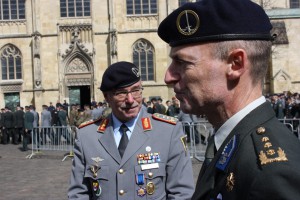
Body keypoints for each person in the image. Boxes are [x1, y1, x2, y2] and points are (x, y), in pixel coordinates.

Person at [157, 0, 300, 199]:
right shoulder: (230, 140)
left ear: (235, 64)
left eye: (182, 62)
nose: (168, 76)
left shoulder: (270, 172)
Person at [68, 61, 194, 199]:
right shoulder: (87, 135)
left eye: (136, 90)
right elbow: (78, 194)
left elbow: (182, 193)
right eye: (121, 93)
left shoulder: (168, 131)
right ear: (106, 97)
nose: (130, 99)